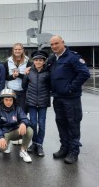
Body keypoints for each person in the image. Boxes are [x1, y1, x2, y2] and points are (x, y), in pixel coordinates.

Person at [48, 35, 90, 164]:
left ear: (63, 43)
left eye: (56, 43)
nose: (54, 46)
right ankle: (64, 148)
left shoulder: (73, 57)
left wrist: (71, 88)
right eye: (52, 45)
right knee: (61, 123)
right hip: (58, 97)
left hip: (71, 98)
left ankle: (73, 152)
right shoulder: (52, 58)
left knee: (73, 124)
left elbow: (84, 73)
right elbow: (43, 68)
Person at [22, 50, 51, 157]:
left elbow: (51, 86)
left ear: (44, 62)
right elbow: (24, 85)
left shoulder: (48, 73)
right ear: (33, 61)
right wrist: (25, 75)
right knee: (33, 124)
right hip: (32, 102)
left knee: (41, 124)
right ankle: (34, 143)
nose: (38, 62)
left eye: (40, 60)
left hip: (43, 102)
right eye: (36, 60)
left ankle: (39, 145)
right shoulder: (29, 72)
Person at [0, 88, 33, 163]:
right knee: (0, 147)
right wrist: (0, 137)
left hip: (16, 131)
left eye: (10, 100)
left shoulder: (18, 108)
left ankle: (23, 151)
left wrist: (23, 123)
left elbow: (25, 118)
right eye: (6, 100)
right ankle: (6, 145)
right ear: (2, 100)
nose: (8, 102)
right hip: (4, 133)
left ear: (13, 100)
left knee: (29, 130)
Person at [4, 43, 32, 113]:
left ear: (22, 50)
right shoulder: (7, 62)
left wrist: (19, 75)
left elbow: (29, 77)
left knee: (22, 111)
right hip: (11, 91)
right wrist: (12, 76)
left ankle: (22, 124)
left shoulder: (28, 62)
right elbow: (5, 77)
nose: (17, 51)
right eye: (15, 49)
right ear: (13, 50)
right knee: (12, 111)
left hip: (23, 91)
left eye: (19, 49)